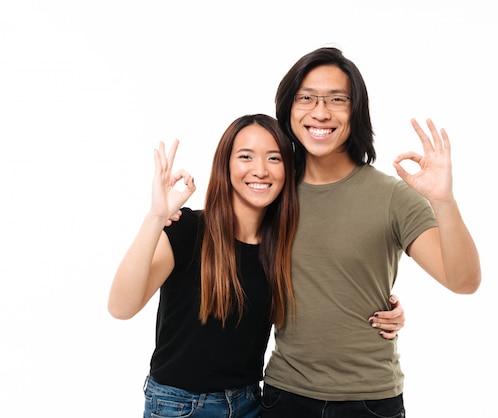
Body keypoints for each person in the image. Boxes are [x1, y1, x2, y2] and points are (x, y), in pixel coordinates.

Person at [108, 114, 404, 418]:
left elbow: (327, 293)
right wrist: (155, 219)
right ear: (226, 165)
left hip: (252, 403)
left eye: (273, 158)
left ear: (288, 170)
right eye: (245, 156)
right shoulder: (189, 230)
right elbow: (121, 307)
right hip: (180, 406)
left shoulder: (284, 244)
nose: (260, 170)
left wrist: (386, 309)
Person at [260, 47, 482, 417]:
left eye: (337, 99)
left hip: (370, 401)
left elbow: (463, 281)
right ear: (288, 109)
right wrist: (171, 218)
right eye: (306, 98)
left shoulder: (392, 196)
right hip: (285, 395)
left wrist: (443, 201)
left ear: (356, 111)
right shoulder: (271, 190)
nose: (320, 112)